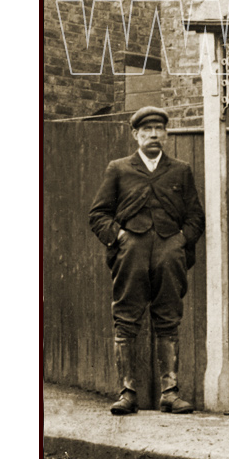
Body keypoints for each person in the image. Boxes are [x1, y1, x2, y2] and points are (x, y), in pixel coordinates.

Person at [87, 105, 204, 415]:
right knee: (125, 319)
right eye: (147, 130)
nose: (154, 135)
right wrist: (120, 237)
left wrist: (180, 242)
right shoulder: (119, 169)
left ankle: (170, 392)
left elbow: (195, 216)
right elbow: (98, 214)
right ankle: (126, 393)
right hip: (131, 256)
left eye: (159, 129)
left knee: (168, 318)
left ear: (165, 133)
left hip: (169, 256)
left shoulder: (181, 170)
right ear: (135, 134)